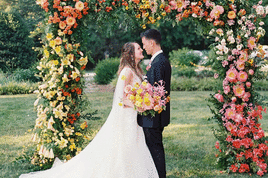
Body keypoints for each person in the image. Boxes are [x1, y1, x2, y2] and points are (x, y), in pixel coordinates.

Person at [19, 42, 159, 178]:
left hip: (133, 116)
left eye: (141, 48)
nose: (141, 50)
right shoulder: (127, 71)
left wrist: (144, 101)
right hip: (126, 117)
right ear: (131, 54)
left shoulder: (136, 70)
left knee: (133, 147)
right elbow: (121, 99)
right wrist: (140, 106)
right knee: (124, 147)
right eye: (138, 48)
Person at [138, 29, 171, 178]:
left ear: (152, 42)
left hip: (153, 117)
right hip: (154, 116)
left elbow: (157, 92)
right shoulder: (159, 60)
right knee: (154, 148)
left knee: (155, 149)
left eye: (144, 44)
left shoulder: (159, 62)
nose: (143, 47)